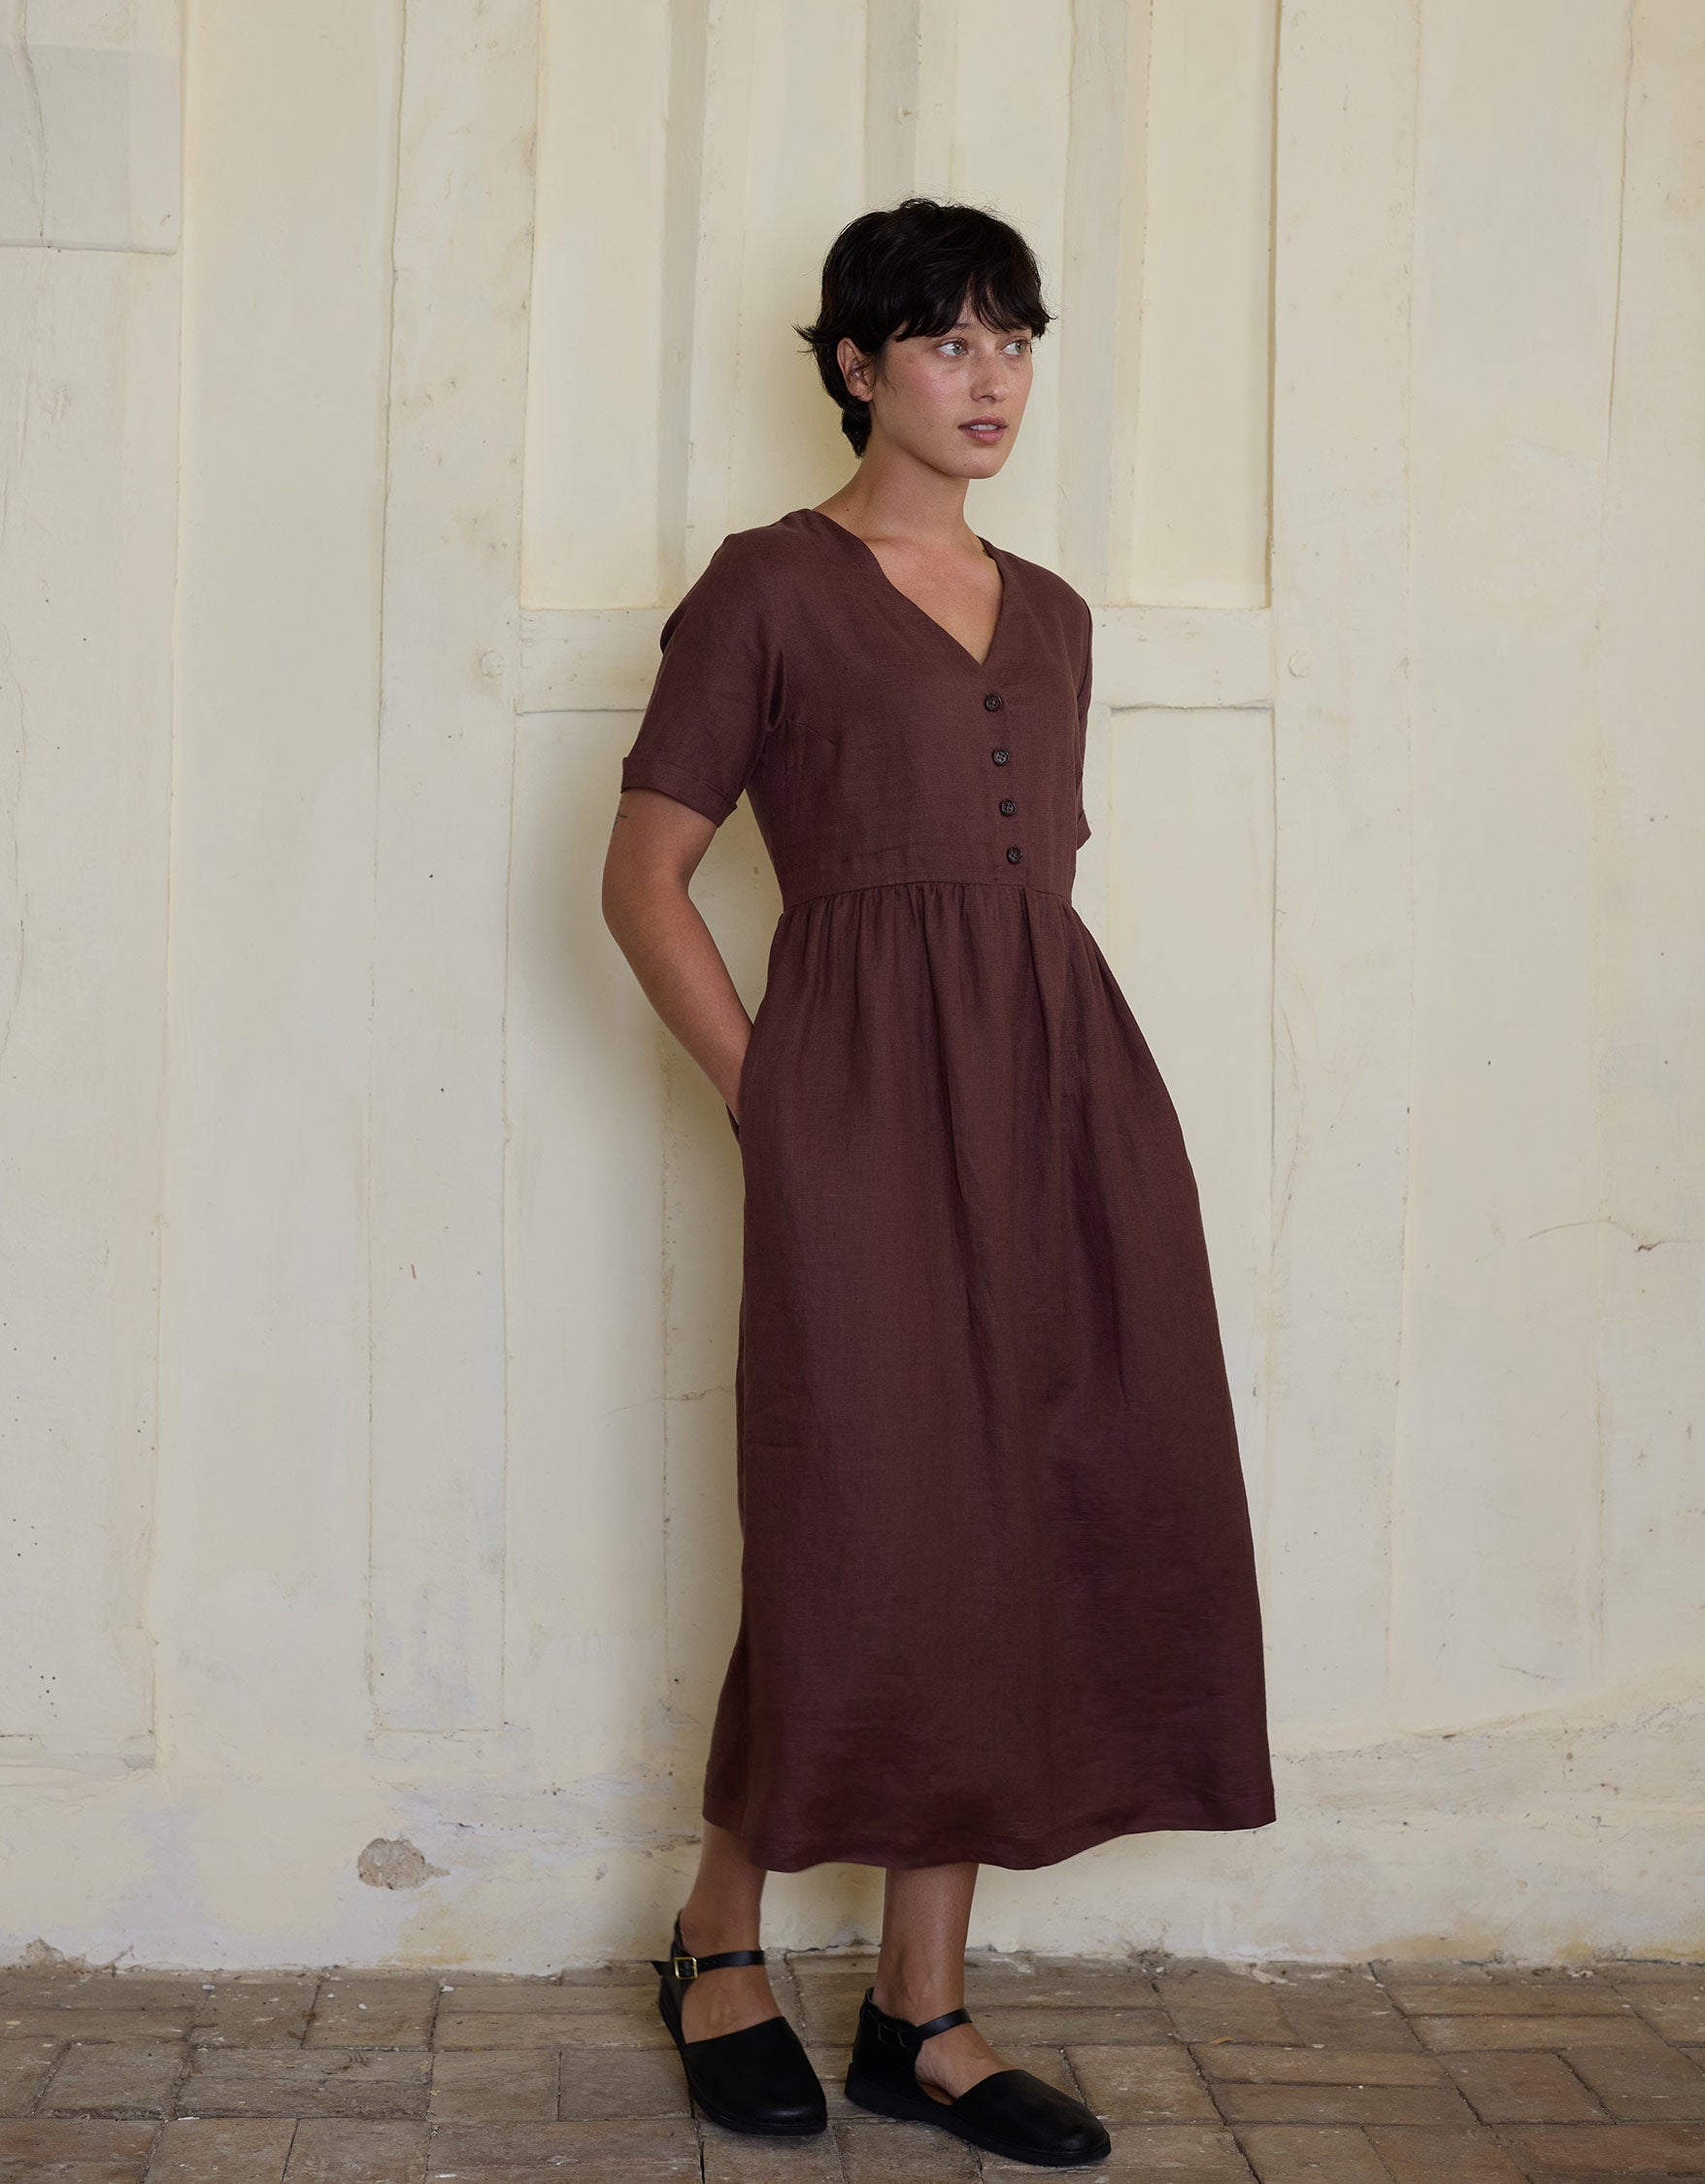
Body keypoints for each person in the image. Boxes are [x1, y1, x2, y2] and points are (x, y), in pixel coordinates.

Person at [601, 196, 1275, 2169]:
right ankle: (720, 1942)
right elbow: (643, 884)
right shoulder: (767, 588)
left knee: (1035, 1513)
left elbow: (1023, 896)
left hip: (1069, 1100)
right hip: (864, 1108)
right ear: (854, 366)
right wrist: (775, 1099)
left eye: (1015, 340)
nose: (991, 378)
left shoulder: (1055, 613)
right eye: (948, 340)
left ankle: (923, 2008)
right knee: (868, 1519)